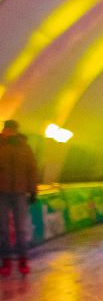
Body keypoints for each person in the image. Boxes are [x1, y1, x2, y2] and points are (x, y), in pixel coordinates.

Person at [0, 119, 38, 277]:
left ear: (16, 131)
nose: (9, 132)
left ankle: (23, 260)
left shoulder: (24, 147)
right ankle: (6, 261)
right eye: (7, 129)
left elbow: (32, 170)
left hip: (20, 193)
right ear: (4, 130)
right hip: (1, 192)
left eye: (12, 130)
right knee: (2, 229)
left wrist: (33, 191)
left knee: (21, 229)